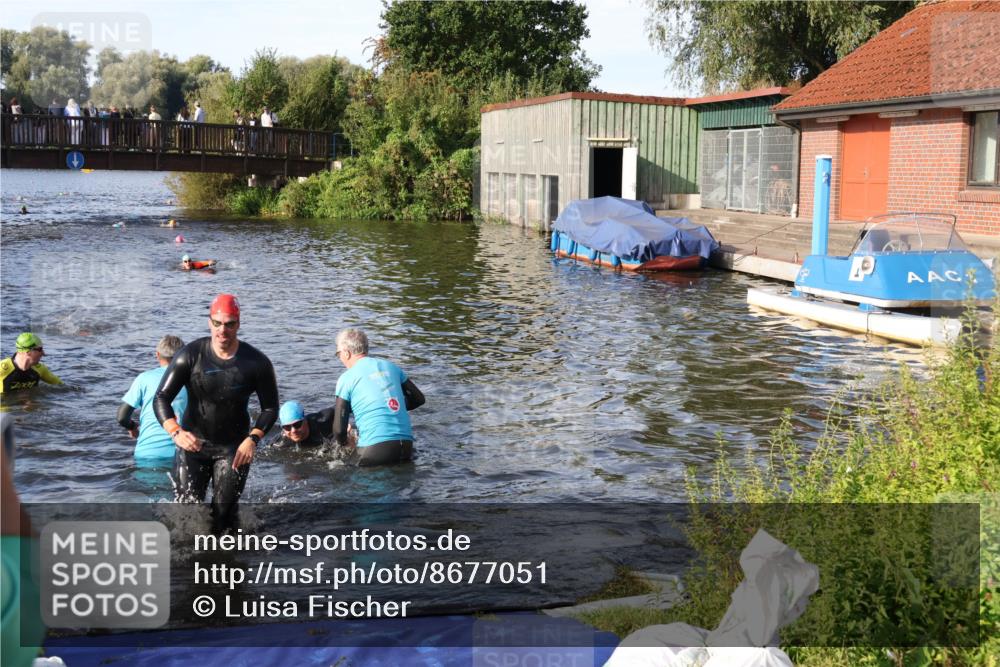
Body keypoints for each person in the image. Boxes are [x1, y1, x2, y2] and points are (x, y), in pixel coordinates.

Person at [154, 294, 278, 533]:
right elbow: (161, 398)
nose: (223, 330)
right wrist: (175, 432)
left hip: (234, 449)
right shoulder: (190, 355)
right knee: (187, 515)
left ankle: (225, 565)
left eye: (230, 324)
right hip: (193, 446)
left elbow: (270, 408)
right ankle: (190, 568)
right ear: (210, 322)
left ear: (238, 324)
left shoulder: (257, 362)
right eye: (218, 323)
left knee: (224, 518)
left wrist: (253, 439)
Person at [332, 328, 424, 466]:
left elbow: (339, 431)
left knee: (341, 472)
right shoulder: (391, 367)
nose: (339, 357)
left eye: (338, 353)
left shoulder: (346, 378)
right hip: (406, 447)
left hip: (374, 450)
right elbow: (419, 399)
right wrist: (388, 406)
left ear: (346, 353)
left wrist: (346, 443)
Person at [117, 336, 188, 463]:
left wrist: (132, 427)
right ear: (183, 356)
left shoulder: (144, 379)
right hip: (182, 452)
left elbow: (122, 417)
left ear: (157, 355)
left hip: (147, 454)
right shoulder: (191, 380)